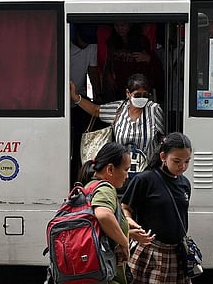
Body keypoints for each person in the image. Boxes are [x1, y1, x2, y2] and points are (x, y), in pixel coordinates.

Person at [121, 132, 193, 284]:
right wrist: (132, 225)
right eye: (177, 161)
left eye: (187, 161)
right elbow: (124, 208)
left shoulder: (184, 183)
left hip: (177, 249)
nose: (182, 166)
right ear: (163, 156)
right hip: (151, 247)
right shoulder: (146, 179)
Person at [72, 142, 146, 284]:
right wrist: (124, 243)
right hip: (100, 278)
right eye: (126, 169)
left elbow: (94, 228)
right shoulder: (105, 188)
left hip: (81, 275)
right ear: (110, 169)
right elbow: (102, 214)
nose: (128, 175)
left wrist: (128, 232)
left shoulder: (87, 187)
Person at [70, 73, 165, 175]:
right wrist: (75, 97)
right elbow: (96, 110)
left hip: (147, 172)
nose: (142, 98)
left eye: (145, 95)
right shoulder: (119, 109)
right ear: (128, 93)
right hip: (121, 172)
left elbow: (162, 138)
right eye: (137, 95)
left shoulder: (154, 110)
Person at [70, 23, 104, 184]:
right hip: (64, 99)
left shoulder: (91, 46)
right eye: (84, 40)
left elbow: (93, 70)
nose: (86, 44)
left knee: (81, 141)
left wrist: (98, 94)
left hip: (80, 98)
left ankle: (78, 177)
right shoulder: (66, 46)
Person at [101, 22, 164, 103]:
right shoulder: (112, 42)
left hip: (137, 90)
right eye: (116, 25)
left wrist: (148, 58)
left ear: (130, 25)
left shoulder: (141, 41)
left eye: (123, 24)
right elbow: (108, 64)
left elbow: (156, 66)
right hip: (118, 91)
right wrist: (109, 76)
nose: (120, 28)